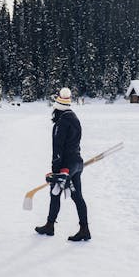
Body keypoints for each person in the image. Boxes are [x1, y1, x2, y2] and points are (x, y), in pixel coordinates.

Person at [35, 87, 91, 241]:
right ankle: (84, 229)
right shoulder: (74, 118)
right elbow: (75, 144)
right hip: (77, 164)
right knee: (77, 197)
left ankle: (50, 225)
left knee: (55, 194)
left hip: (66, 166)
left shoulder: (61, 123)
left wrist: (55, 172)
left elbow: (57, 150)